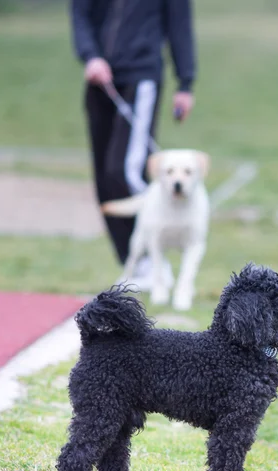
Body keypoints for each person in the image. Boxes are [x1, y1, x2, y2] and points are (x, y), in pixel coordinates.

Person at [71, 0, 196, 278]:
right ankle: (134, 263)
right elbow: (80, 13)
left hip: (141, 77)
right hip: (99, 81)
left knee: (124, 171)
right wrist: (91, 56)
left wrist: (185, 82)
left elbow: (179, 23)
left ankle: (155, 259)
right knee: (104, 180)